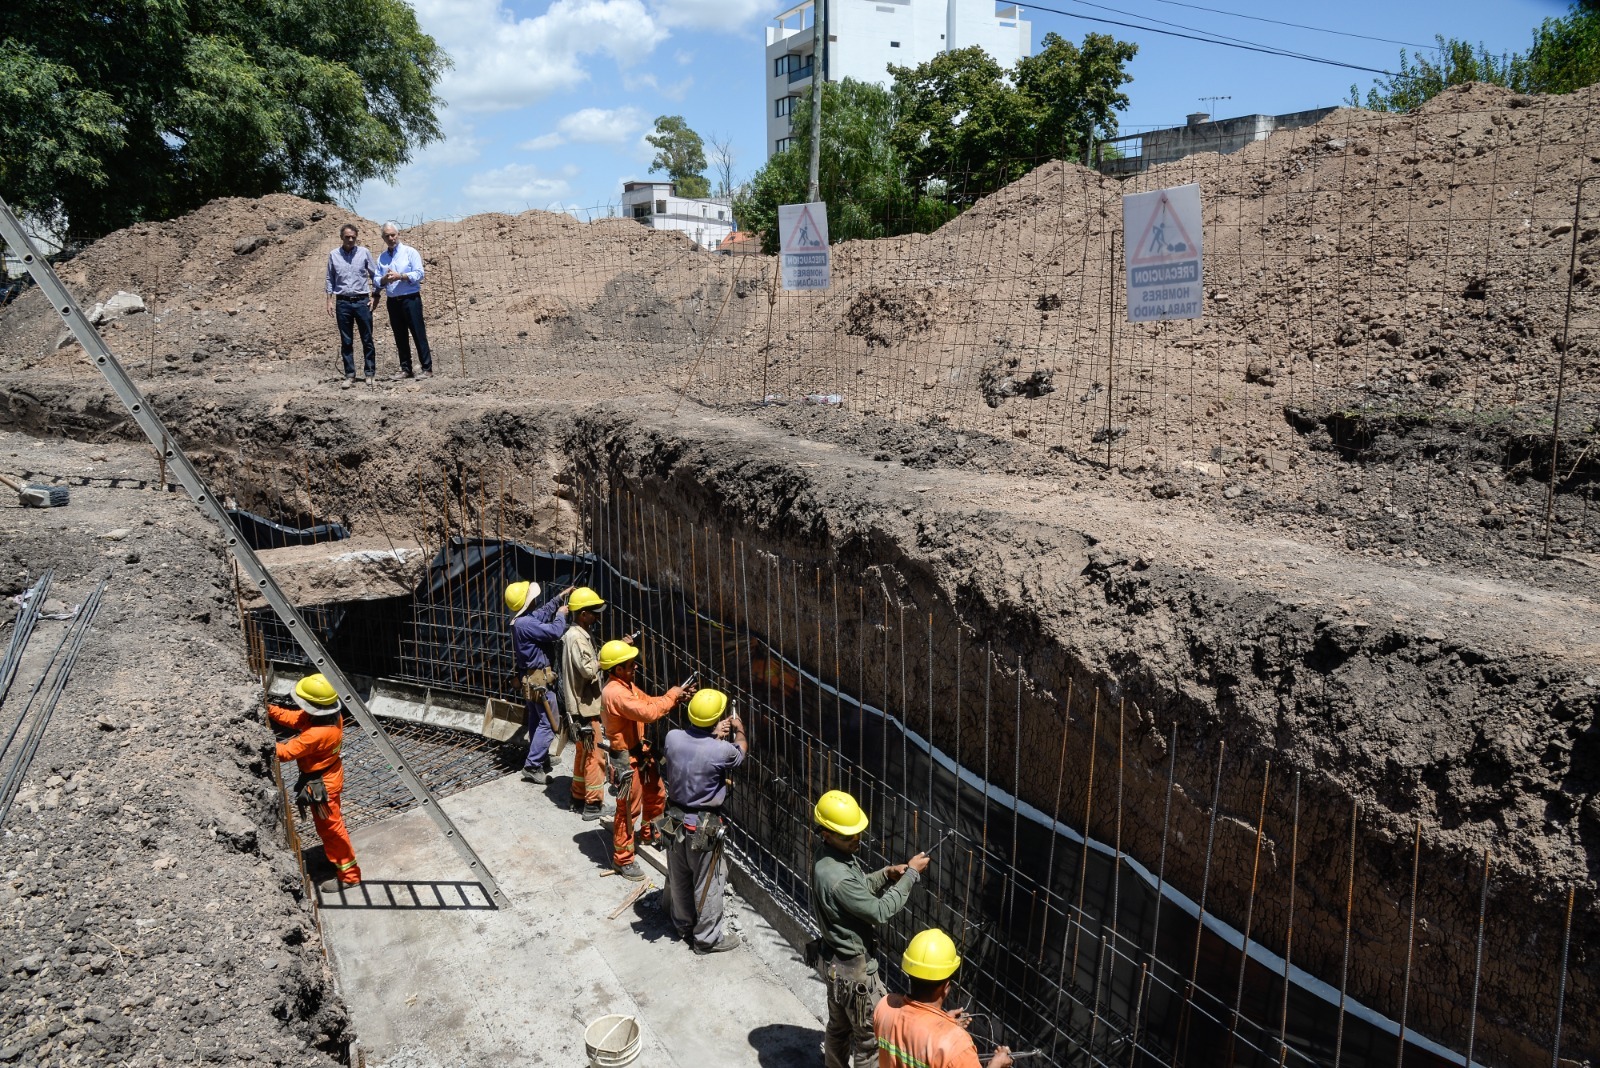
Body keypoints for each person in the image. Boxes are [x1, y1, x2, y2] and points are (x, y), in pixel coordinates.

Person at [812, 789, 930, 1068]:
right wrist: (911, 875)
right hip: (855, 974)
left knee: (838, 1029)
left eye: (856, 833)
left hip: (834, 963)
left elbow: (857, 889)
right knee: (870, 1043)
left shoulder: (827, 857)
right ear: (827, 833)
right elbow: (879, 911)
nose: (856, 839)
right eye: (848, 835)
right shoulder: (838, 877)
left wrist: (886, 874)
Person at [661, 687, 746, 953]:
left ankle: (683, 925)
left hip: (673, 817)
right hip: (702, 822)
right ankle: (707, 939)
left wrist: (709, 733)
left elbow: (693, 748)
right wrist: (739, 728)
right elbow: (740, 751)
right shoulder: (722, 751)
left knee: (679, 873)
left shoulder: (672, 737)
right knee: (707, 881)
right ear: (718, 718)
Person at [599, 639, 692, 881]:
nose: (636, 667)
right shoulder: (616, 693)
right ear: (618, 669)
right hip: (626, 759)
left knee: (657, 793)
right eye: (631, 665)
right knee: (629, 810)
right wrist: (671, 696)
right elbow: (649, 713)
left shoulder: (626, 686)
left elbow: (649, 702)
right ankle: (623, 859)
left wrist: (674, 698)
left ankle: (650, 832)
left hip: (640, 752)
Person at [267, 674, 362, 893]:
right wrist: (270, 710)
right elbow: (296, 719)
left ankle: (350, 875)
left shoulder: (316, 734)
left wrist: (260, 738)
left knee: (332, 829)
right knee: (328, 826)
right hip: (328, 776)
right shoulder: (330, 716)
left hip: (323, 785)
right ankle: (335, 858)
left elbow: (285, 752)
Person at [873, 929, 1012, 1068]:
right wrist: (997, 1064)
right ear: (945, 987)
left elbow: (912, 1035)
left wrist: (944, 1022)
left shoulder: (885, 1007)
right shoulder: (957, 1046)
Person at [505, 580, 570, 785]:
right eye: (532, 597)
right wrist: (561, 614)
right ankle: (533, 766)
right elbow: (553, 632)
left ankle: (539, 756)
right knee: (550, 722)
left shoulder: (521, 620)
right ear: (527, 602)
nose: (536, 599)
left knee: (535, 719)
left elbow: (541, 613)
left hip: (531, 679)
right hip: (539, 681)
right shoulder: (527, 624)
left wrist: (560, 597)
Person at [558, 586, 612, 820]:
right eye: (593, 612)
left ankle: (578, 795)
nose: (597, 616)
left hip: (577, 707)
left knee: (583, 751)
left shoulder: (575, 635)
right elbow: (588, 670)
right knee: (596, 756)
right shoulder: (577, 638)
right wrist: (607, 659)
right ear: (582, 614)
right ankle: (593, 804)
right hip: (585, 707)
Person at [323, 224, 380, 388]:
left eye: (353, 237)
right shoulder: (334, 255)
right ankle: (350, 374)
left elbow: (375, 275)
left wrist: (375, 295)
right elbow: (330, 279)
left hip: (362, 301)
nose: (350, 239)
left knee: (367, 338)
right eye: (347, 236)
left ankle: (370, 373)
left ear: (356, 237)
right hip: (342, 302)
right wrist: (329, 300)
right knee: (346, 340)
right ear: (341, 237)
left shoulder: (364, 253)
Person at [376, 221, 433, 381]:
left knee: (418, 333)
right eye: (387, 236)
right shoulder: (382, 258)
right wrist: (384, 280)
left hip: (410, 299)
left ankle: (427, 368)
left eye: (393, 235)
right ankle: (406, 369)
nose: (390, 238)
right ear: (383, 238)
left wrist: (400, 276)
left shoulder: (410, 252)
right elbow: (376, 279)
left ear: (398, 235)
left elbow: (419, 273)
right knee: (399, 335)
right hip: (393, 301)